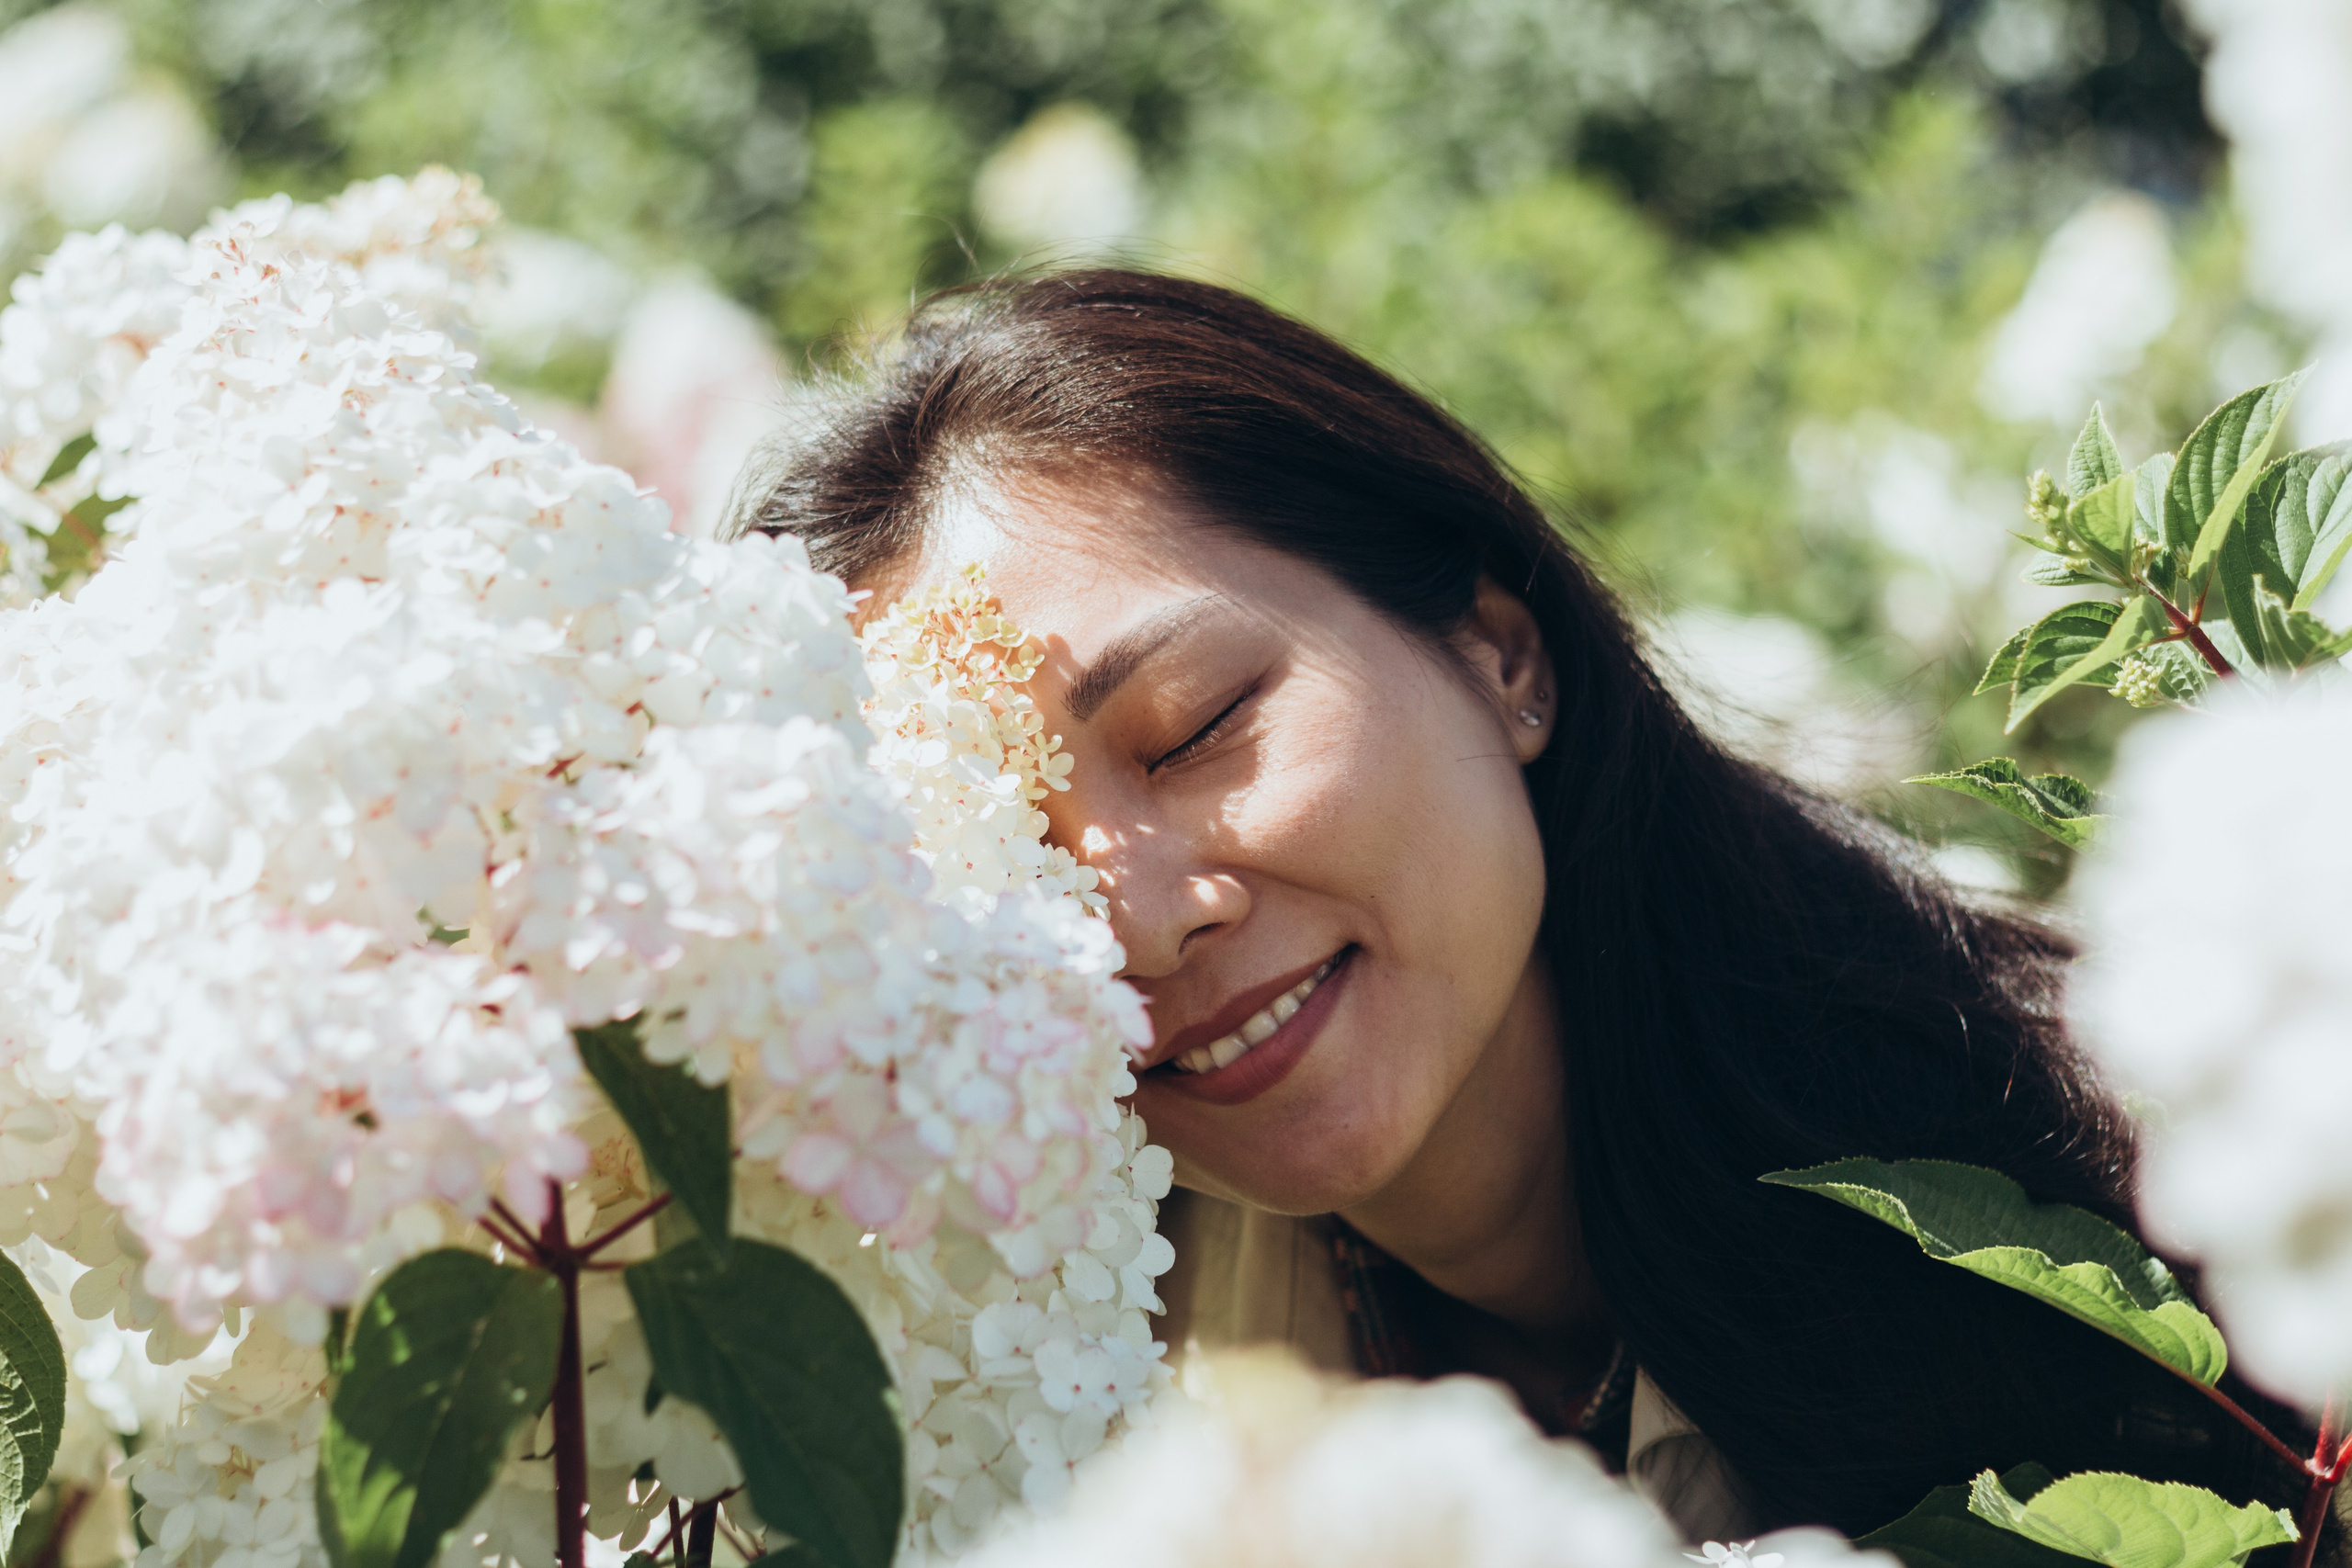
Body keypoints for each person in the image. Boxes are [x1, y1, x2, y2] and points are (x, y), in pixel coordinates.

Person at [729, 268, 2321, 1548]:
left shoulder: (2171, 1214)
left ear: (1503, 655)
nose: (1138, 922)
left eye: (1201, 728)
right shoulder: (1077, 1415)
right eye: (1006, 854)